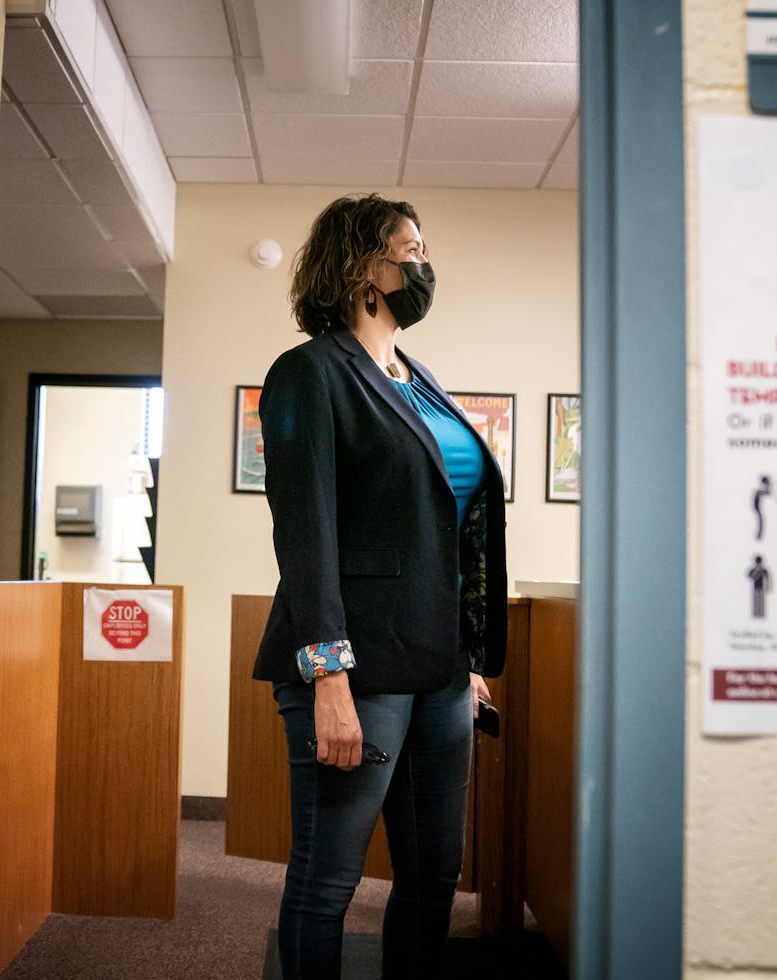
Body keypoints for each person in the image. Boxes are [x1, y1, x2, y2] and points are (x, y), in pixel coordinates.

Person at [253, 193, 508, 979]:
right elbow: (306, 533)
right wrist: (326, 676)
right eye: (412, 249)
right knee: (328, 881)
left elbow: (447, 531)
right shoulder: (308, 374)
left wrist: (464, 657)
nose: (424, 266)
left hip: (436, 673)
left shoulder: (415, 380)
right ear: (364, 267)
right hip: (358, 670)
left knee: (433, 876)